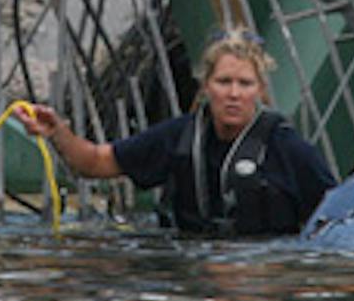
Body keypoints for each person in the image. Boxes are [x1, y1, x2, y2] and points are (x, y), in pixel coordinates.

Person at [18, 30, 337, 235]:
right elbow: (94, 162)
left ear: (261, 91)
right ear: (205, 86)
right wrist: (57, 131)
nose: (234, 94)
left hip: (266, 270)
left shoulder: (289, 149)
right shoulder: (179, 136)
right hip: (191, 266)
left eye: (245, 84)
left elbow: (337, 219)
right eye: (224, 82)